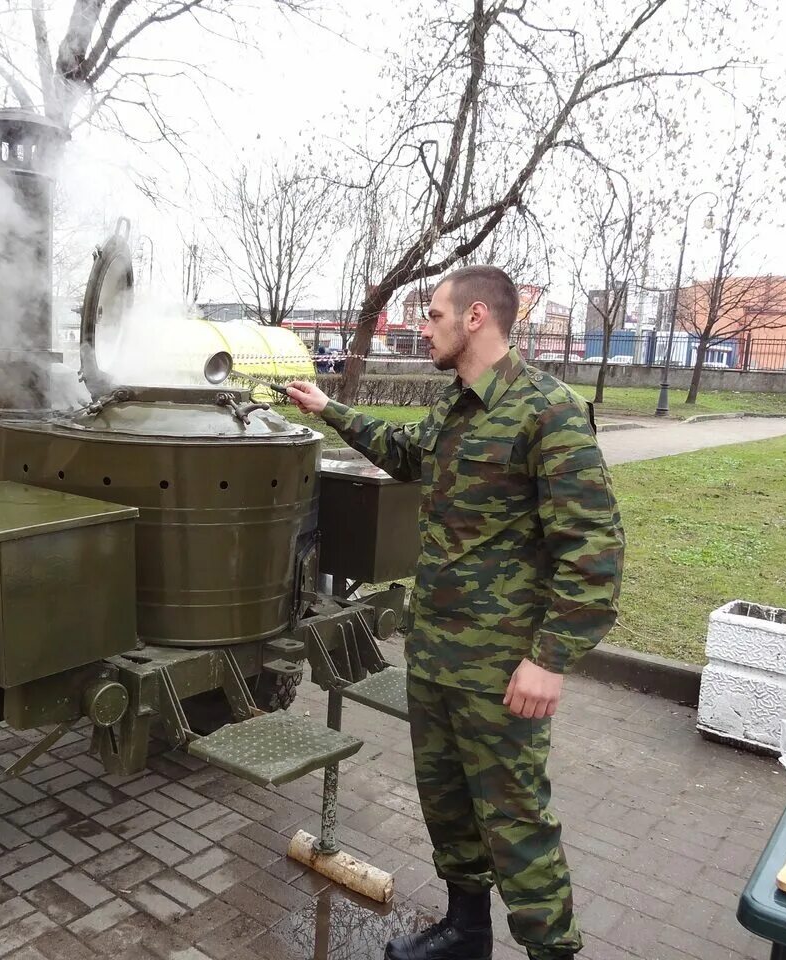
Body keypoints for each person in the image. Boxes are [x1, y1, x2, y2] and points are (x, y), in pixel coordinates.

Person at [286, 266, 624, 960]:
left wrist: (550, 658)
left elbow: (593, 548)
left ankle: (551, 952)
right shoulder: (456, 406)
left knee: (517, 822)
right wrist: (328, 409)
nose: (423, 326)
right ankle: (466, 932)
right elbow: (408, 455)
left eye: (433, 315)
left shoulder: (546, 410)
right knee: (448, 806)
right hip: (437, 653)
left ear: (476, 317)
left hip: (503, 670)